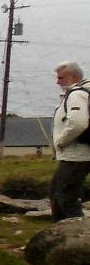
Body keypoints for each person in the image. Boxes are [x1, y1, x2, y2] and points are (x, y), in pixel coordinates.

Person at [49, 60, 90, 220]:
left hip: (77, 154)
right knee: (58, 191)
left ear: (73, 77)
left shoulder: (77, 94)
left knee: (65, 195)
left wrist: (61, 141)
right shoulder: (84, 92)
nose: (57, 81)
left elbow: (78, 122)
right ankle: (62, 232)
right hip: (81, 153)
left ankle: (74, 236)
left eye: (60, 78)